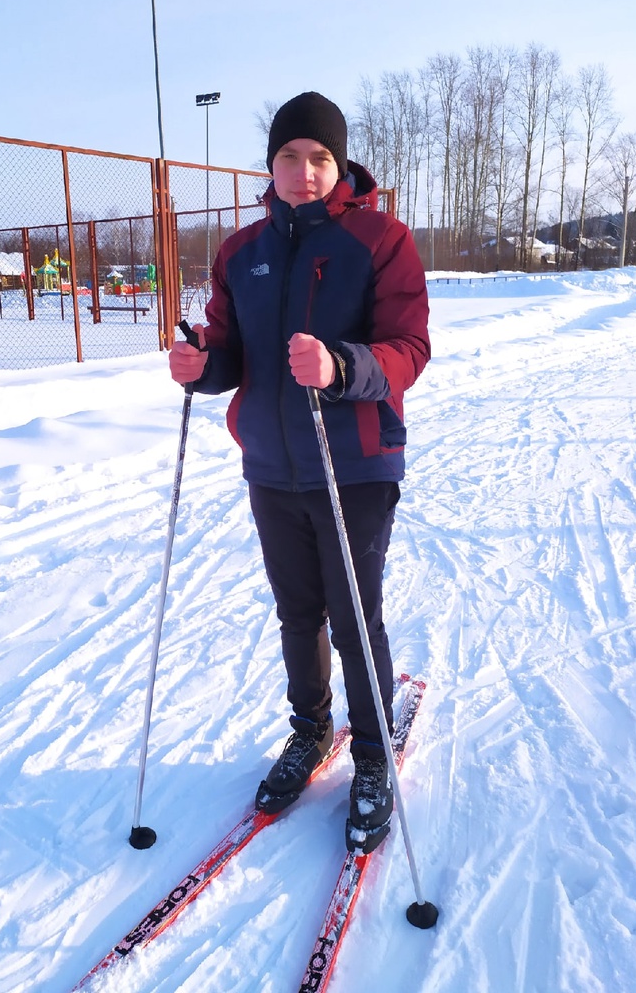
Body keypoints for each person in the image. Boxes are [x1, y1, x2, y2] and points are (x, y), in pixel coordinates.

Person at [169, 91, 430, 853]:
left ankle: (372, 754)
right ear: (272, 164)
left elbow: (408, 349)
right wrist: (202, 364)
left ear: (339, 164)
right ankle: (311, 731)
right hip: (273, 467)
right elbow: (230, 352)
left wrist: (341, 365)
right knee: (297, 614)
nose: (304, 171)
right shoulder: (240, 252)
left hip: (355, 465)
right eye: (290, 156)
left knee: (353, 618)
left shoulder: (380, 240)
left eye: (319, 158)